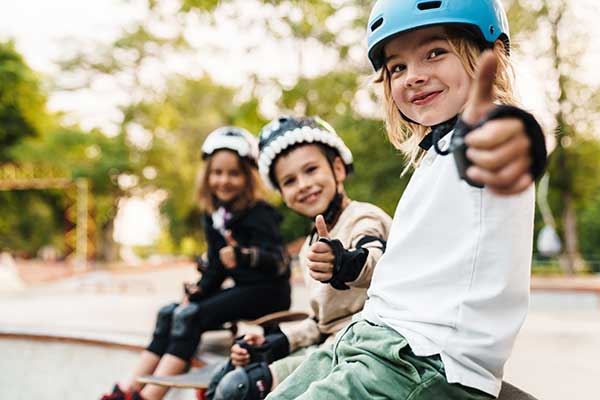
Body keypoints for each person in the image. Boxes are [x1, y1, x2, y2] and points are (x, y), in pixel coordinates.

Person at [266, 1, 547, 399]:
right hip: (368, 339)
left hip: (425, 359)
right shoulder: (435, 155)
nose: (413, 76)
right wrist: (346, 263)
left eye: (434, 52)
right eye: (398, 67)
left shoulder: (486, 130)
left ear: (488, 56)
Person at [207, 116, 392, 400]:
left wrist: (344, 262)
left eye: (311, 170)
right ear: (282, 193)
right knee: (230, 374)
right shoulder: (311, 244)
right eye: (290, 181)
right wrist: (276, 341)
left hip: (366, 346)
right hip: (330, 343)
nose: (303, 185)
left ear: (338, 169)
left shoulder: (362, 217)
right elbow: (322, 322)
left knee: (240, 388)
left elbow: (375, 259)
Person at [100, 126, 292, 400]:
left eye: (233, 173)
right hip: (243, 291)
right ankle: (128, 390)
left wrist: (245, 256)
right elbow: (216, 267)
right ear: (207, 176)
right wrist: (199, 291)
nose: (223, 181)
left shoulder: (260, 213)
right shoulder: (215, 216)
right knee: (171, 312)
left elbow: (280, 263)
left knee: (190, 317)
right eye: (217, 173)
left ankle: (150, 396)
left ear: (248, 177)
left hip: (269, 294)